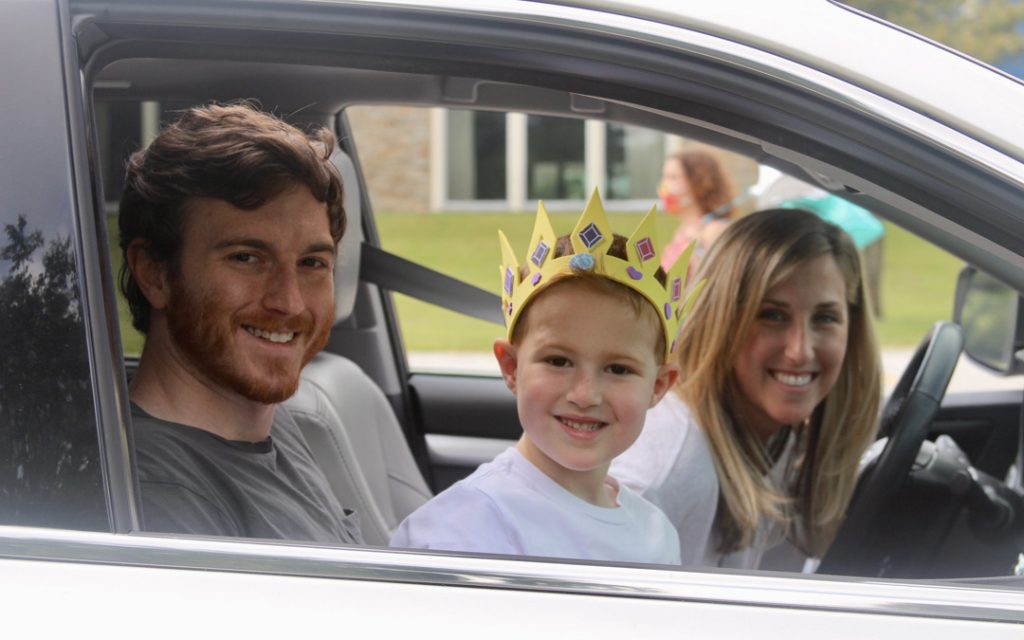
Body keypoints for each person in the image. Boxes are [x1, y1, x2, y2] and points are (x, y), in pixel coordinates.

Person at [390, 191, 701, 564]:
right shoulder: (466, 531)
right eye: (558, 360)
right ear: (511, 367)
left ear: (658, 385)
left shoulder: (655, 531)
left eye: (618, 369)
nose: (585, 394)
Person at [120, 102, 362, 544]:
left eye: (311, 262)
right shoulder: (157, 499)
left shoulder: (268, 423)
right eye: (247, 258)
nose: (288, 301)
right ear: (154, 273)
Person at [612, 208, 881, 569]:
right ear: (720, 320)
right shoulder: (666, 472)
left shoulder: (772, 434)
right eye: (772, 315)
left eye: (825, 318)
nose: (800, 350)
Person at [658, 148, 735, 271]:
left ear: (699, 182)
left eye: (673, 177)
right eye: (665, 177)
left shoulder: (714, 231)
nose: (664, 185)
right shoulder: (683, 230)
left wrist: (698, 249)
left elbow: (715, 282)